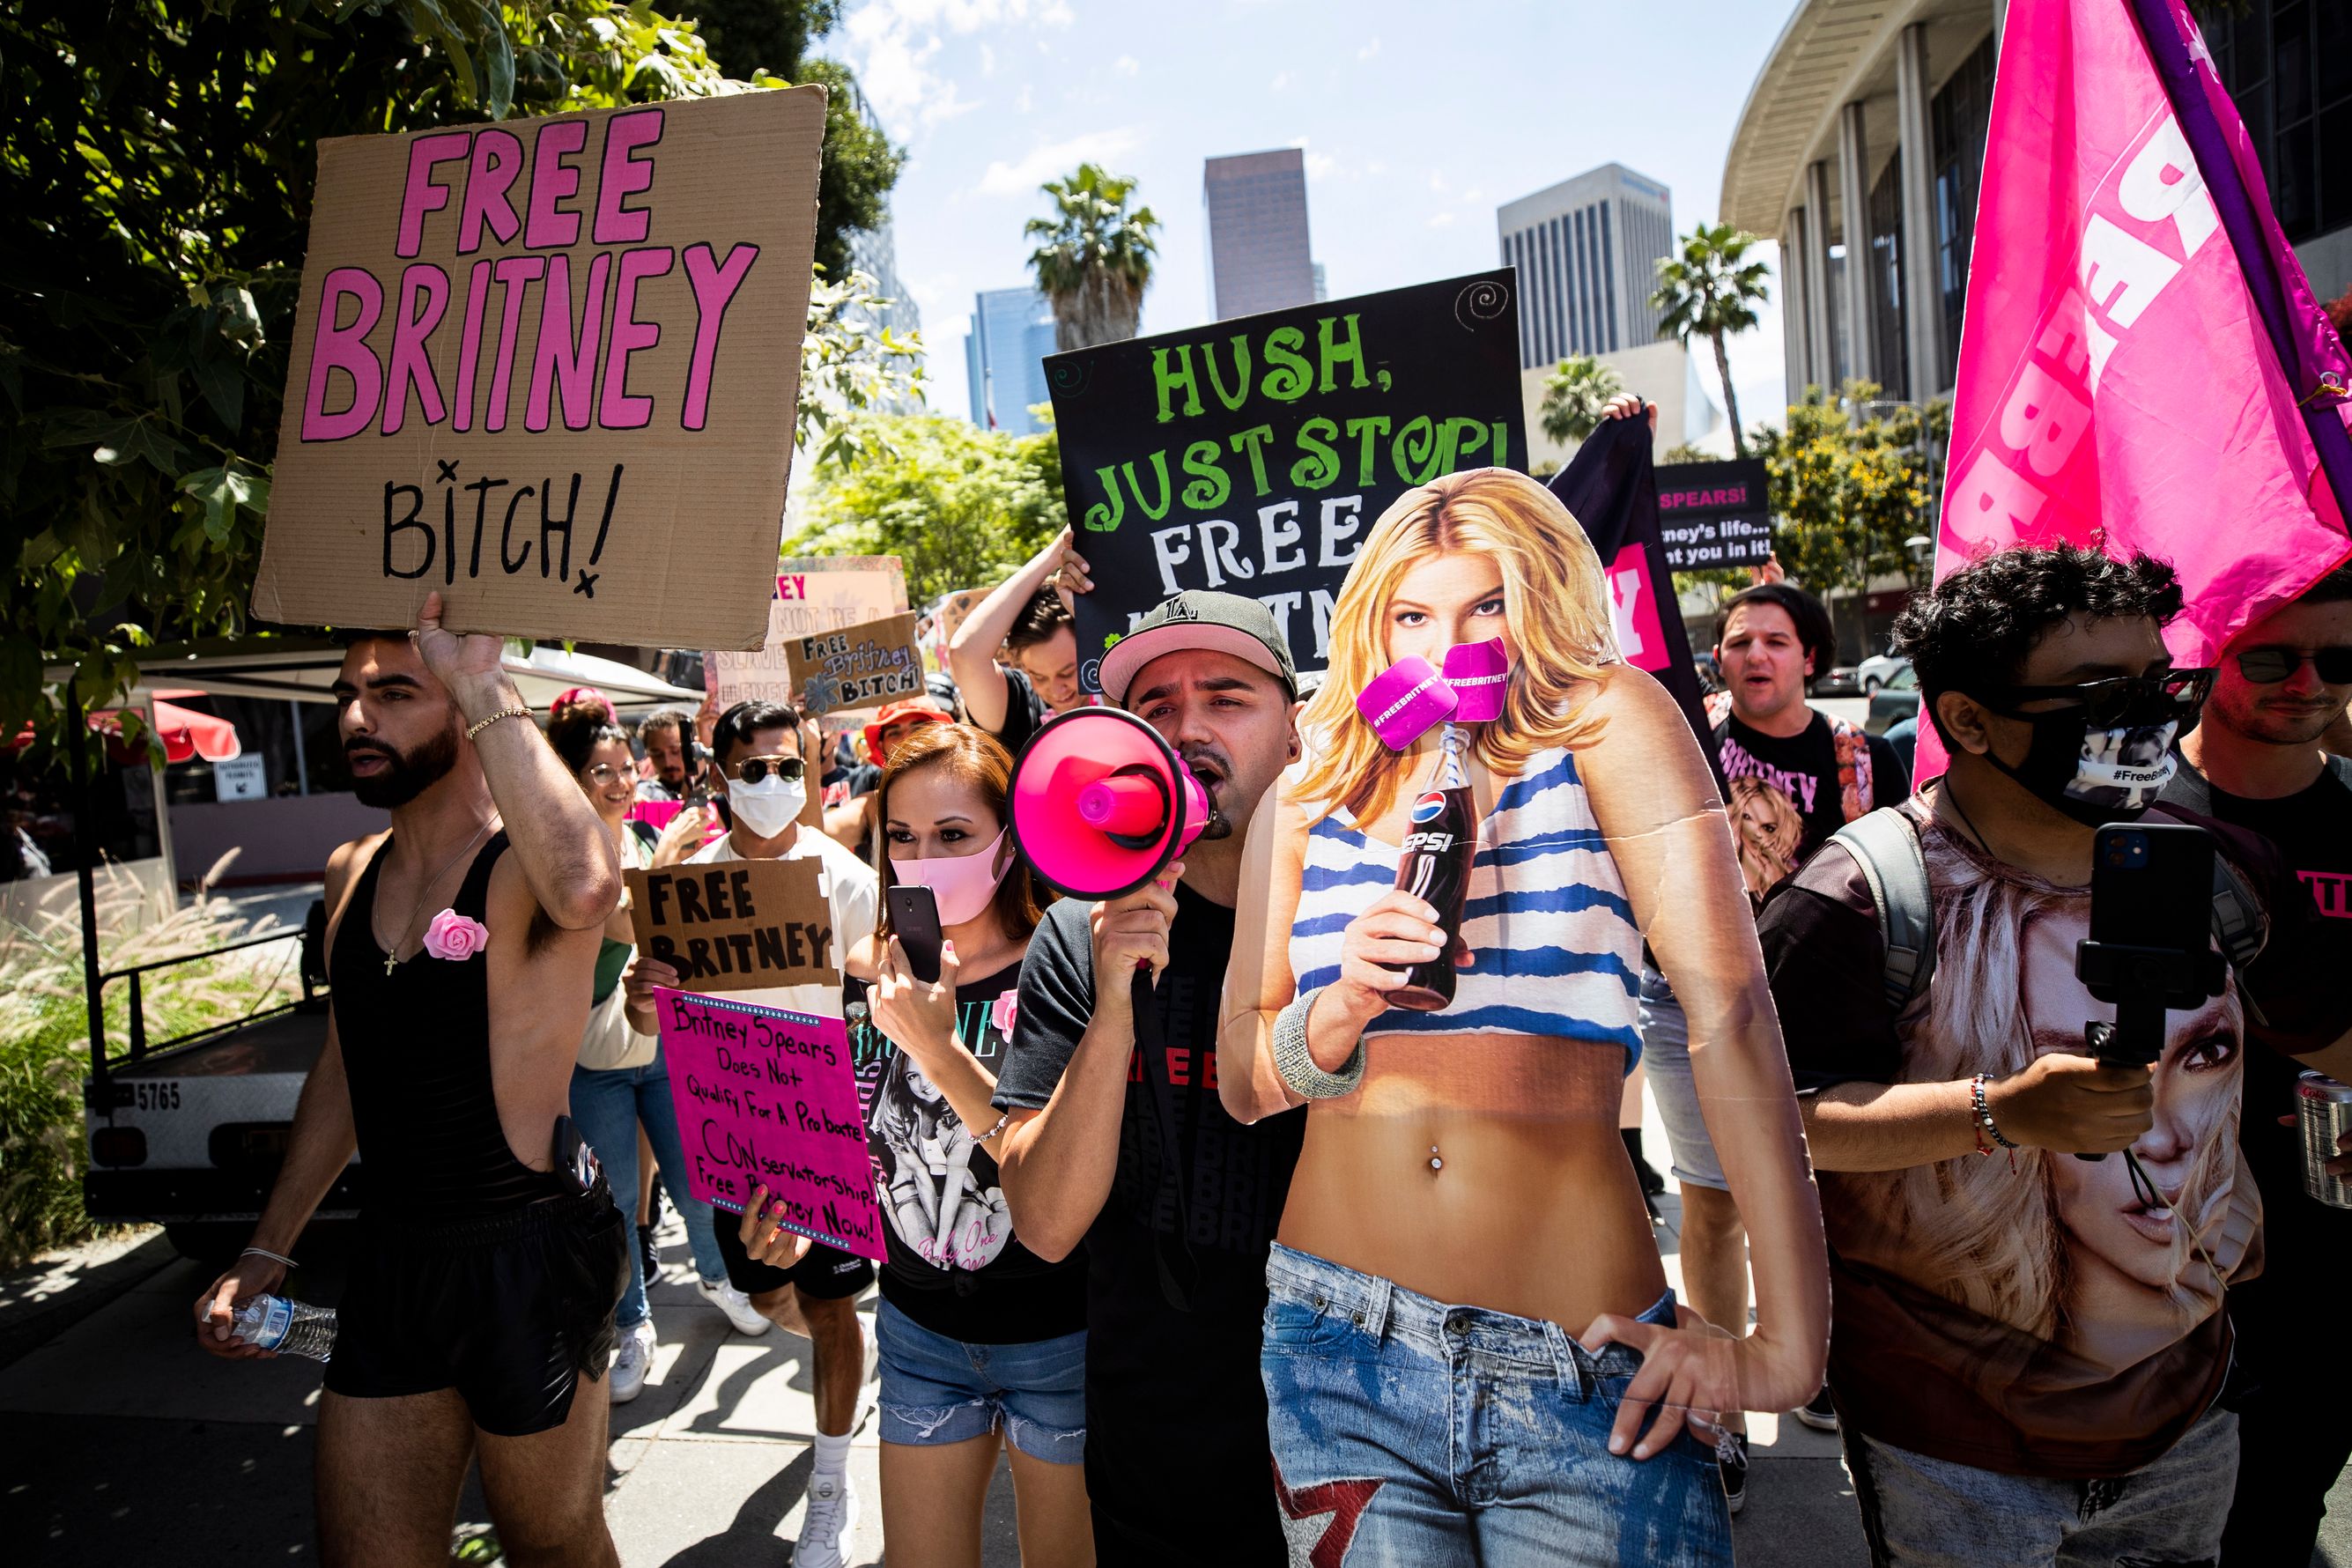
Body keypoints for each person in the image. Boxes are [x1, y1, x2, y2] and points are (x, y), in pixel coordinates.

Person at [1218, 468, 1827, 1564]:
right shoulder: (1313, 787)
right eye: (1412, 614)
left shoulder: (1605, 721)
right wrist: (1345, 1000)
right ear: (1372, 622)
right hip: (1336, 1349)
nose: (1448, 641)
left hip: (1584, 1359)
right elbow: (1245, 1081)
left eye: (1486, 605)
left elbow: (1732, 1013)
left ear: (1540, 599)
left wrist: (1786, 1344)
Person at [1755, 544, 2352, 1568]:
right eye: (2099, 695)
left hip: (2188, 1424)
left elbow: (2333, 1034)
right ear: (1968, 719)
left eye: (2159, 684)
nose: (2144, 718)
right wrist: (1999, 1112)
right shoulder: (1857, 900)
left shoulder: (2224, 873)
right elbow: (1778, 1129)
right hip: (1950, 1448)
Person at [194, 595, 628, 1568]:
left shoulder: (523, 865)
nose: (357, 717)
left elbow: (587, 888)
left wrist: (481, 679)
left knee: (553, 1547)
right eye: (347, 695)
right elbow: (347, 1066)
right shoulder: (350, 869)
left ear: (466, 712)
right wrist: (268, 1247)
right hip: (392, 1258)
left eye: (394, 693)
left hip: (529, 1258)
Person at [991, 590, 1311, 1564]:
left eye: (1227, 698)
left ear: (1294, 730)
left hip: (1355, 1437)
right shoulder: (1072, 935)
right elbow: (1046, 1223)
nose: (1190, 729)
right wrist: (1115, 1002)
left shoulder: (1351, 917)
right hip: (1160, 1453)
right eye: (1157, 707)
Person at [776, 722, 1091, 1565]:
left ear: (1009, 842)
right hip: (918, 1332)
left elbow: (1056, 1166)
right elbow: (858, 1126)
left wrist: (939, 1049)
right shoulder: (868, 968)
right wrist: (801, 1208)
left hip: (1060, 1337)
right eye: (904, 836)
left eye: (953, 835)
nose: (923, 858)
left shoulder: (1063, 965)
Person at [1650, 571, 1907, 1505]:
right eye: (1737, 642)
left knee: (1819, 1194)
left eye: (1774, 641)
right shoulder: (1682, 748)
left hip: (1821, 1011)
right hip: (1690, 1005)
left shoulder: (1862, 759)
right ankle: (1722, 1410)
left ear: (1810, 658)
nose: (1754, 654)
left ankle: (1816, 1357)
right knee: (1715, 1202)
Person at [620, 699, 879, 1568]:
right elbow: (652, 1024)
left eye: (789, 768)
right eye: (757, 769)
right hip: (733, 1138)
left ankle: (831, 1488)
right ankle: (840, 1355)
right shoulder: (685, 889)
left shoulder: (844, 879)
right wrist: (642, 1000)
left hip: (826, 1130)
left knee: (831, 1308)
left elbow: (887, 1006)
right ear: (720, 775)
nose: (776, 782)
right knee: (770, 1301)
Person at [2161, 561, 2352, 1566]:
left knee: (2278, 1512)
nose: (2309, 683)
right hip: (2153, 1246)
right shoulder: (2126, 817)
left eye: (2340, 660)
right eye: (2273, 658)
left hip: (2328, 1256)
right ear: (2212, 651)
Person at [547, 696, 772, 1404]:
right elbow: (626, 923)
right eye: (601, 771)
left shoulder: (645, 840)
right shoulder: (564, 859)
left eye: (625, 768)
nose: (620, 783)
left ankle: (720, 1280)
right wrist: (671, 865)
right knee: (615, 1204)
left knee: (701, 1184)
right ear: (571, 778)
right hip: (594, 1062)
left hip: (666, 1051)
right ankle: (632, 1325)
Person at [947, 528, 1093, 758]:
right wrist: (1054, 554)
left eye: (1068, 672)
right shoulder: (1023, 706)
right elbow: (965, 653)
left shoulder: (1123, 686)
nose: (1057, 690)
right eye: (1039, 677)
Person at [821, 696, 952, 858]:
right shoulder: (872, 807)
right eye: (894, 733)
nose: (906, 739)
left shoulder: (969, 792)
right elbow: (813, 835)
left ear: (942, 735)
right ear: (881, 747)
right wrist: (810, 748)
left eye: (919, 729)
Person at [634, 707, 697, 802]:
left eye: (675, 751)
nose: (668, 763)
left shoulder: (716, 788)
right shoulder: (643, 795)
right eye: (657, 754)